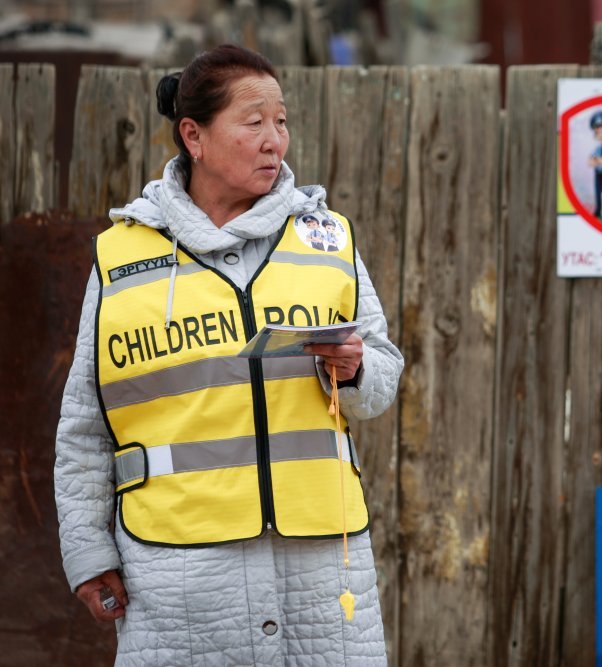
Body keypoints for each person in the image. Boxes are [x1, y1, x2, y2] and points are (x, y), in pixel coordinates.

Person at [53, 44, 403, 666]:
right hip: (179, 581)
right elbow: (85, 425)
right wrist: (87, 552)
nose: (275, 141)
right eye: (254, 122)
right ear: (194, 136)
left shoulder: (327, 239)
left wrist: (355, 371)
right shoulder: (121, 258)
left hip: (322, 577)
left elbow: (381, 375)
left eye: (282, 121)